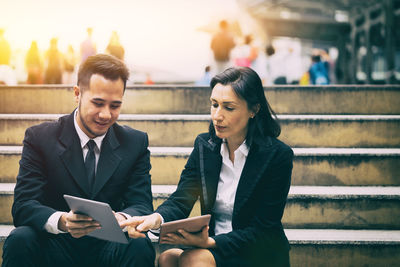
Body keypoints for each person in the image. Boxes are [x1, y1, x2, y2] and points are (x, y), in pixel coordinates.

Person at [121, 67, 293, 267]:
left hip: (257, 251)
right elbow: (181, 200)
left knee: (194, 259)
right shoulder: (206, 146)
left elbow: (264, 228)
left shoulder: (277, 155)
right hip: (212, 245)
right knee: (167, 258)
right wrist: (155, 219)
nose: (217, 116)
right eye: (214, 105)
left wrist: (209, 242)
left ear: (254, 110)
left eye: (228, 108)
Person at [2, 54, 155, 267]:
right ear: (77, 94)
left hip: (110, 247)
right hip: (55, 243)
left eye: (115, 106)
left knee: (140, 244)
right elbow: (24, 205)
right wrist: (62, 221)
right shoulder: (40, 138)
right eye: (98, 103)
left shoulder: (135, 142)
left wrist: (121, 218)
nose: (105, 114)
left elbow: (141, 203)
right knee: (20, 238)